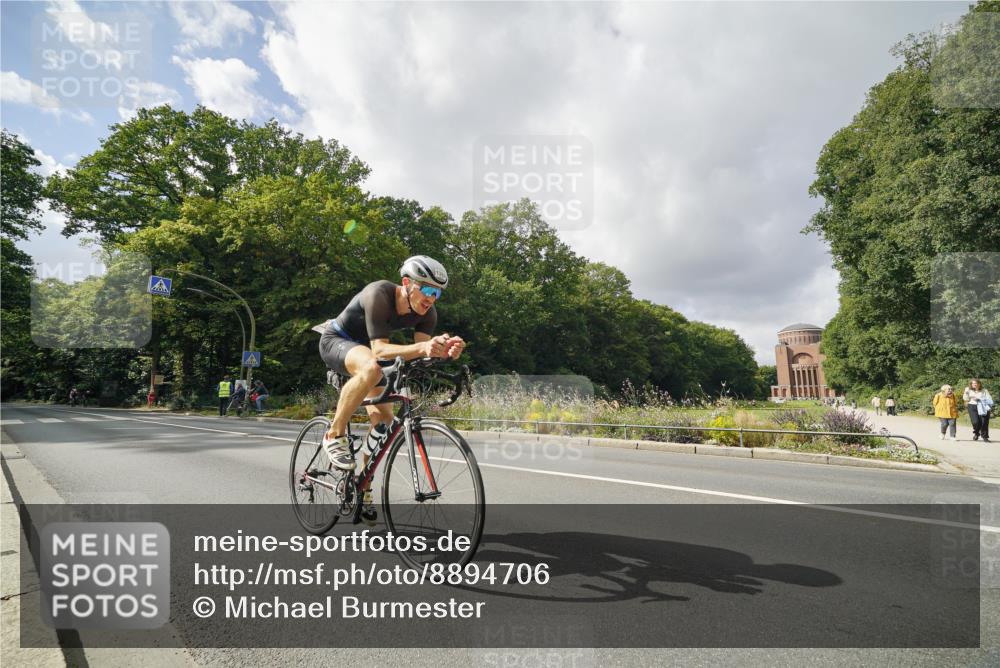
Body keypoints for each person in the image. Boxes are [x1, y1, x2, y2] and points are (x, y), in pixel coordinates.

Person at [319, 255, 465, 471]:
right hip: (338, 340)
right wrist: (423, 348)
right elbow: (379, 350)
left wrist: (444, 351)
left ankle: (362, 485)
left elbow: (423, 354)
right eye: (426, 290)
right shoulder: (378, 294)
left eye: (437, 293)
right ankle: (334, 435)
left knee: (385, 423)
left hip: (368, 353)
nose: (431, 298)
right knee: (371, 367)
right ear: (407, 283)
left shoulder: (427, 313)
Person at [962, 379, 993, 443]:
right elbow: (965, 399)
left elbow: (989, 399)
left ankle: (985, 437)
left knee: (984, 422)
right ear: (971, 384)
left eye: (976, 383)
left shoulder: (984, 391)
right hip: (972, 406)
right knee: (975, 422)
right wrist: (966, 393)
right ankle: (976, 433)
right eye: (973, 383)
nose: (975, 384)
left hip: (983, 406)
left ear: (979, 384)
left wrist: (979, 398)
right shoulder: (968, 390)